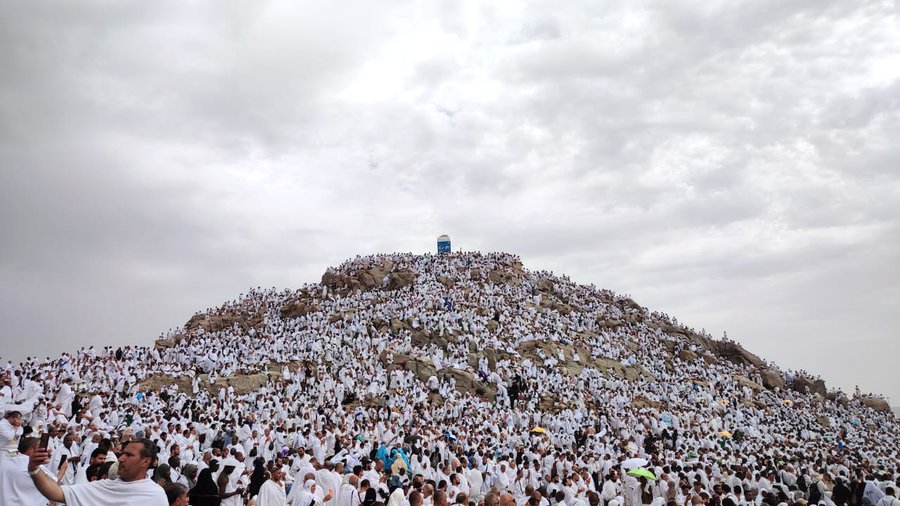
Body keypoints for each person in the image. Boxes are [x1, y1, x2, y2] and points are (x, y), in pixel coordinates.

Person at [27, 437, 167, 505]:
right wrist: (34, 469)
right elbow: (56, 493)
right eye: (123, 453)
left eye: (129, 455)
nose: (122, 458)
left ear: (146, 461)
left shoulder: (155, 495)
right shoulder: (104, 487)